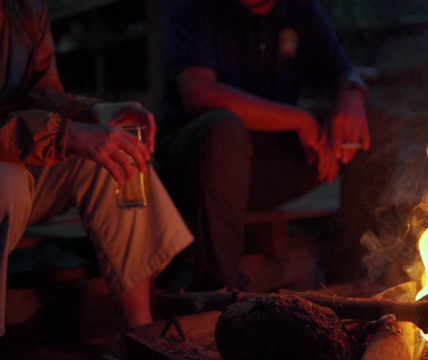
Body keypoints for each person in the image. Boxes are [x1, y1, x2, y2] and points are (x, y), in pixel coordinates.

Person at [0, 0, 193, 358]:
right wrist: (63, 135)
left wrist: (92, 111)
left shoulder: (25, 7)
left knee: (112, 155)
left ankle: (139, 331)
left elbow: (41, 94)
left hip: (2, 169)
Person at [156, 0, 398, 292]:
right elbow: (198, 92)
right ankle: (218, 291)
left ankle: (352, 278)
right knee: (225, 130)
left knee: (373, 124)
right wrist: (300, 120)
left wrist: (351, 94)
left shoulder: (298, 10)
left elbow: (341, 71)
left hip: (268, 167)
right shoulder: (196, 8)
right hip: (197, 171)